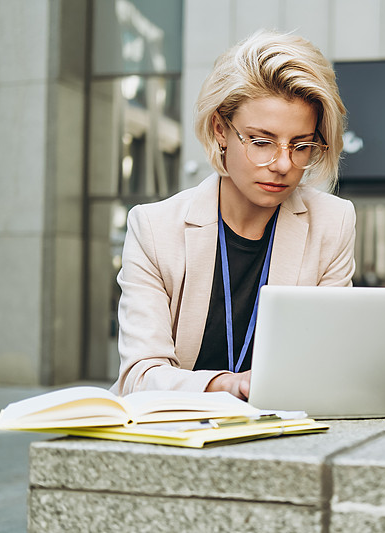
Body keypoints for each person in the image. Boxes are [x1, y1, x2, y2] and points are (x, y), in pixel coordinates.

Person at [111, 30, 356, 400]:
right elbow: (140, 376)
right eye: (261, 142)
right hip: (170, 432)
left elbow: (330, 359)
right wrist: (228, 384)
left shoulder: (332, 223)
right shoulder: (154, 228)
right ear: (220, 129)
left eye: (302, 145)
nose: (284, 164)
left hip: (281, 430)